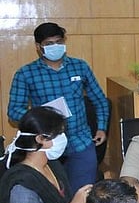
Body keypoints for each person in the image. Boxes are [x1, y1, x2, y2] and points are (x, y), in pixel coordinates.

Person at [7, 22, 109, 192]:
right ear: (38, 47)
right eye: (49, 44)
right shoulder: (25, 73)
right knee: (54, 198)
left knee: (83, 195)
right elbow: (14, 111)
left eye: (59, 42)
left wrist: (101, 128)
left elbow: (100, 100)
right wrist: (41, 117)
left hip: (80, 141)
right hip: (46, 146)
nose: (55, 46)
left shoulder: (80, 66)